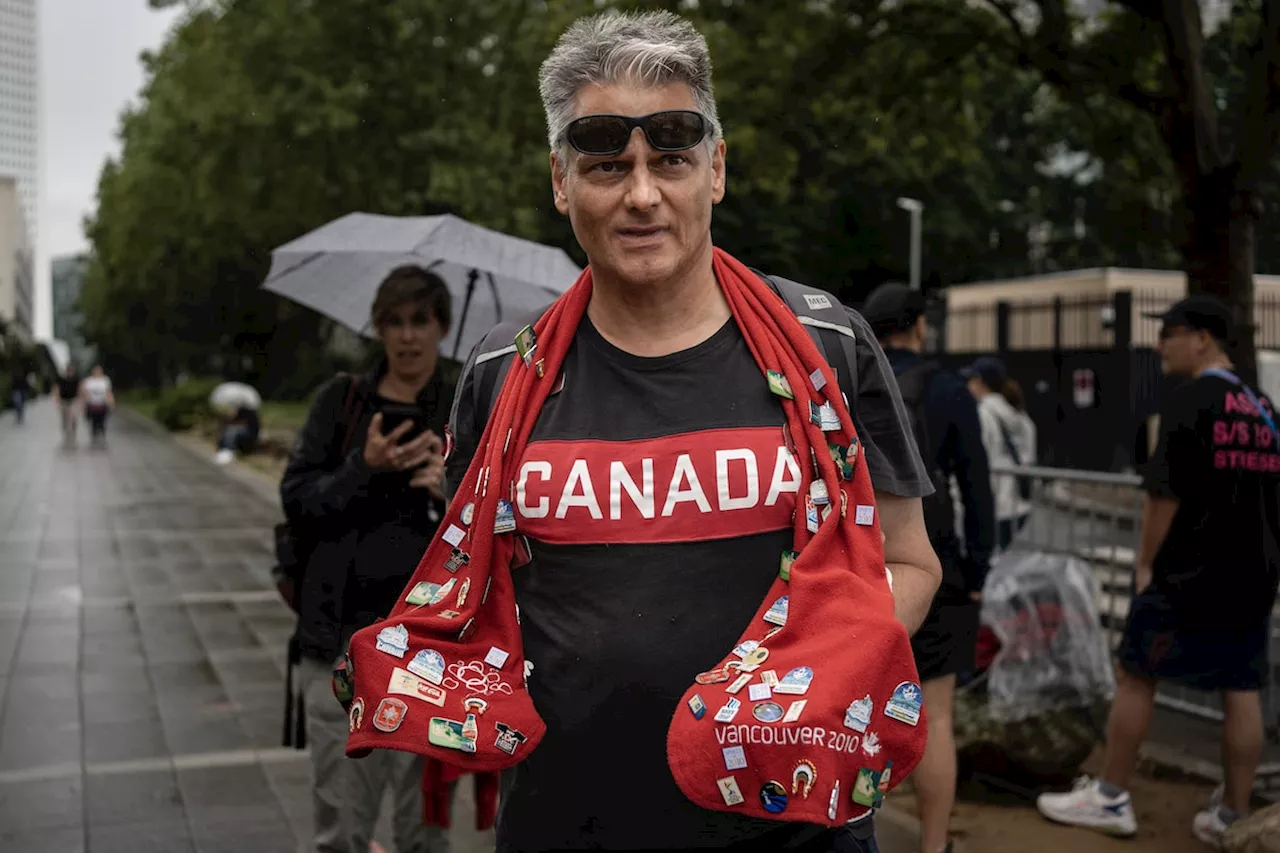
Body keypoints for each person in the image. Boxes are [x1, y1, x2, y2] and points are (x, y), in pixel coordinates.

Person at [443, 12, 942, 852]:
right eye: (607, 165)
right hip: (565, 826)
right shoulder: (502, 373)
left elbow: (909, 560)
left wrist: (812, 663)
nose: (642, 194)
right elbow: (471, 590)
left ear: (716, 168)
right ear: (562, 183)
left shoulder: (827, 345)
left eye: (670, 158)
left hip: (796, 831)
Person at [1036, 294, 1280, 847]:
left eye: (1168, 332)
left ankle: (1111, 796)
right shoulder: (1263, 408)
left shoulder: (1189, 401)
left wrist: (1146, 562)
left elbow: (1162, 497)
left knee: (1137, 672)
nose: (1158, 344)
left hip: (1189, 568)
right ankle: (1234, 815)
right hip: (1254, 572)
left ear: (1203, 339)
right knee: (1241, 686)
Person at [281, 265, 456, 853]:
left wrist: (451, 494)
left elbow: (503, 520)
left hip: (431, 652)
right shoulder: (344, 403)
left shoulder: (463, 407)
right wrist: (365, 467)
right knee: (341, 825)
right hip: (341, 645)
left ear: (442, 327)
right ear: (379, 329)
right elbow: (297, 497)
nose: (408, 336)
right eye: (395, 322)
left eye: (421, 321)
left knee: (425, 829)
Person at [862, 283, 996, 853]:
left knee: (859, 711)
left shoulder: (852, 376)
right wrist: (976, 568)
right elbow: (979, 487)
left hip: (865, 564)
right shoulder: (947, 389)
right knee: (935, 715)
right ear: (917, 325)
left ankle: (857, 832)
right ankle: (935, 844)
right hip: (937, 566)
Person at [961, 356, 1035, 549]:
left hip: (995, 507)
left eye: (971, 380)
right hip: (1020, 505)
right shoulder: (1019, 413)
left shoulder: (984, 414)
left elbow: (980, 459)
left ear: (980, 382)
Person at [81, 365, 114, 447]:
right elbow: (84, 392)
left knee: (102, 420)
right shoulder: (89, 381)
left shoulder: (105, 380)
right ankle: (94, 434)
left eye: (99, 370)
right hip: (92, 404)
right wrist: (84, 403)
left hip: (102, 403)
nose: (97, 372)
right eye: (96, 371)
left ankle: (102, 433)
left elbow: (108, 392)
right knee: (93, 420)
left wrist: (111, 402)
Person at [56, 364, 80, 446]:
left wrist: (81, 399)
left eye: (71, 371)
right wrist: (57, 400)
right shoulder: (62, 379)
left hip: (73, 400)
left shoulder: (76, 379)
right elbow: (57, 389)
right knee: (65, 418)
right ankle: (66, 432)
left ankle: (73, 431)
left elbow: (80, 389)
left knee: (73, 417)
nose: (70, 372)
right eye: (68, 371)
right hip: (64, 401)